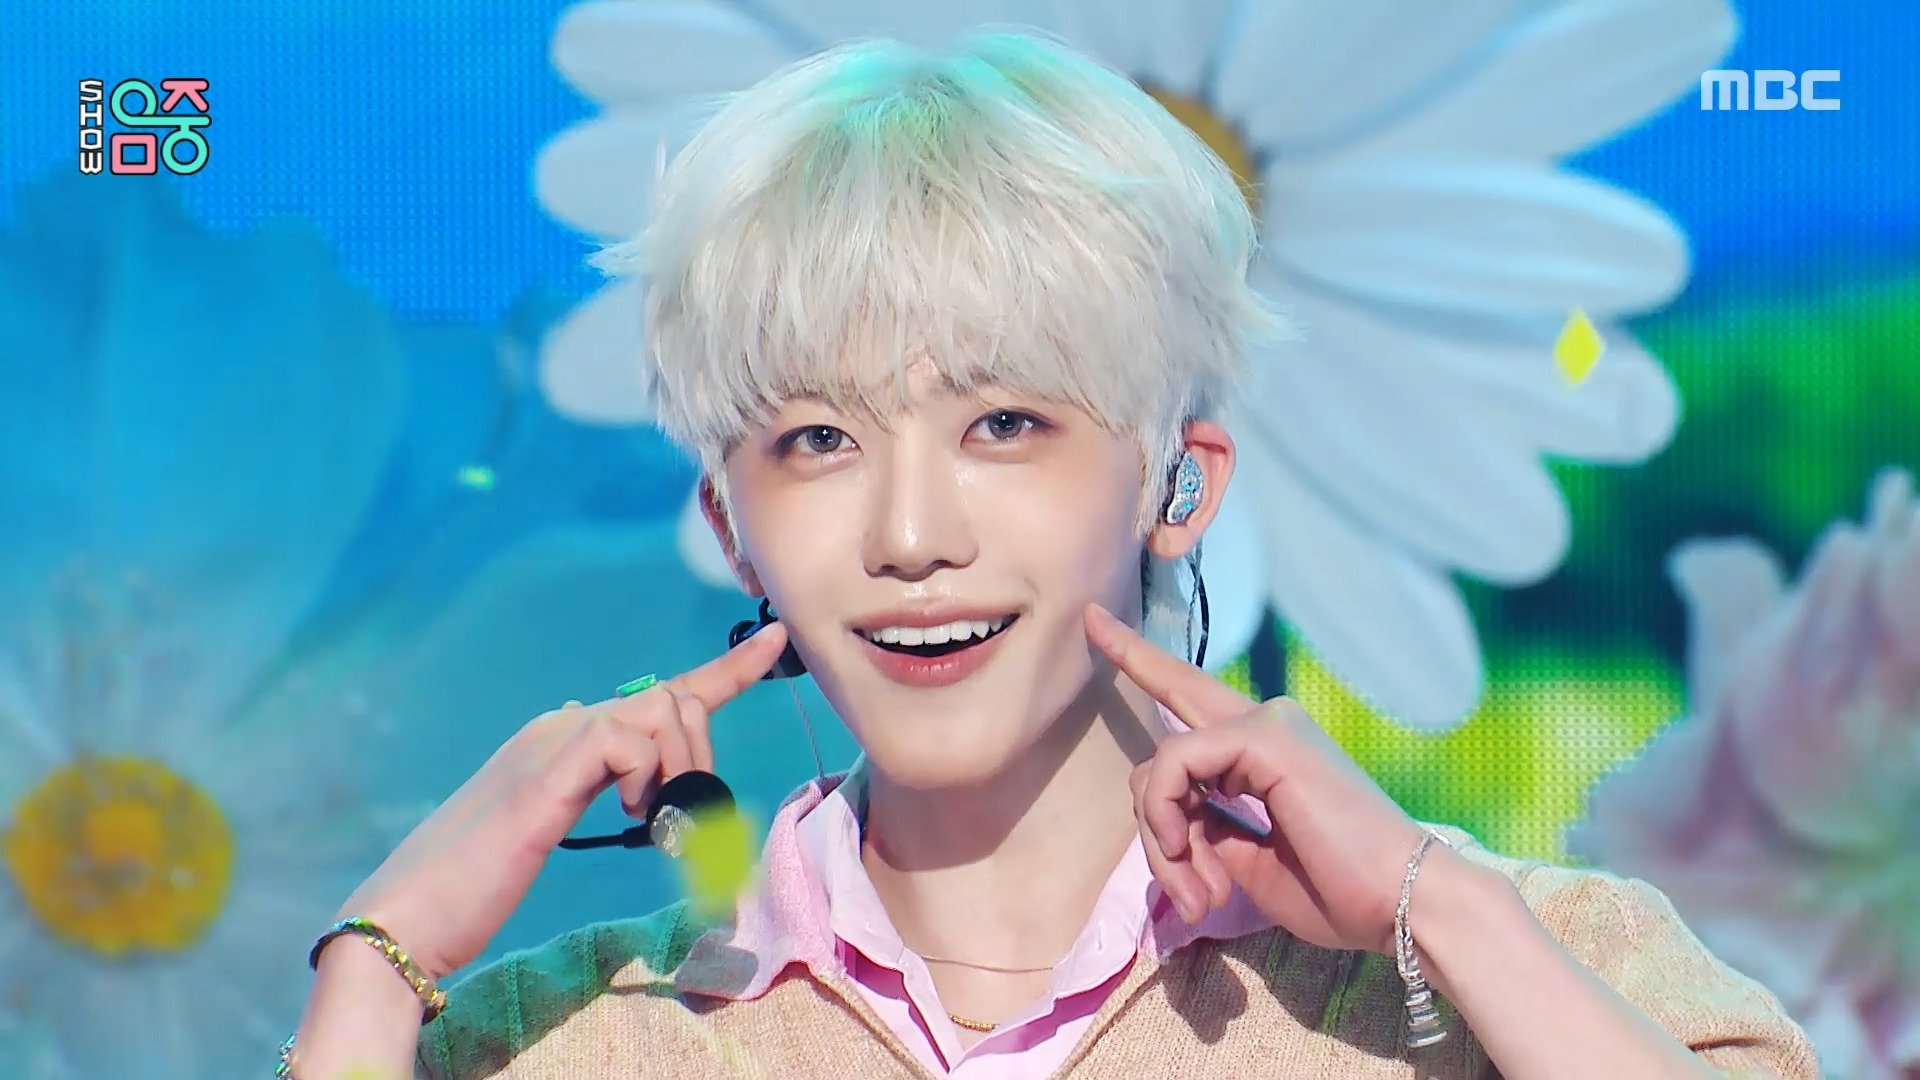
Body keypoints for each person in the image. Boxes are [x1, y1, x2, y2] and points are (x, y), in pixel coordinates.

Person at [286, 31, 1818, 1079]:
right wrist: (376, 957)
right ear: (729, 524)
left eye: (1005, 423)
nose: (911, 536)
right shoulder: (574, 1038)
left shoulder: (1535, 975)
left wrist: (1445, 912)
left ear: (1177, 484)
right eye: (816, 440)